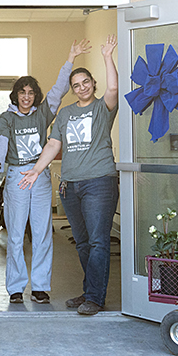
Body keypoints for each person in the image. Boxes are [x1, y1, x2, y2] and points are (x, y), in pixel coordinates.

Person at [19, 35, 120, 316]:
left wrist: (107, 56)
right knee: (84, 242)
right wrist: (36, 170)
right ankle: (90, 292)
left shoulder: (103, 108)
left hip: (99, 181)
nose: (81, 87)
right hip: (71, 186)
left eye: (85, 82)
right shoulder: (64, 114)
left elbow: (114, 87)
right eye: (76, 85)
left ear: (92, 84)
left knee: (99, 241)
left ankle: (96, 298)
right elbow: (53, 144)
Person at [0, 42, 85, 304]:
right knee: (16, 234)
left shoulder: (43, 114)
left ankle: (40, 286)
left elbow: (59, 89)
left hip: (39, 176)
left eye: (31, 92)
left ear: (35, 95)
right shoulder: (5, 118)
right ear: (15, 95)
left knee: (42, 233)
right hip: (17, 177)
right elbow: (1, 146)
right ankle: (16, 288)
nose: (27, 96)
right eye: (22, 92)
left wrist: (70, 59)